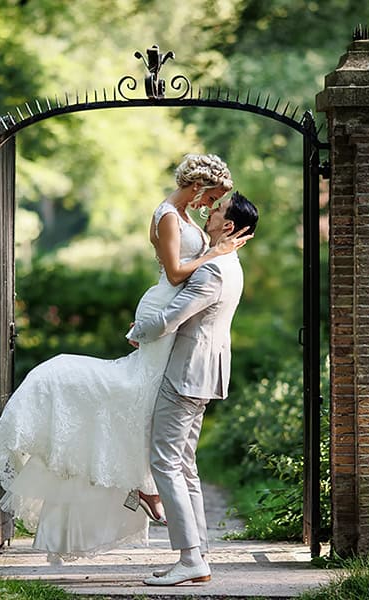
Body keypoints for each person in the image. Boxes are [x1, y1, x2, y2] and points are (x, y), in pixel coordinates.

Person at [0, 154, 252, 562]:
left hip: (174, 324)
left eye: (217, 203)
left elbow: (192, 279)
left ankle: (154, 498)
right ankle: (146, 488)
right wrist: (213, 255)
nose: (211, 204)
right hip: (167, 311)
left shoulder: (189, 219)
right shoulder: (167, 216)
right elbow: (177, 274)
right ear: (199, 186)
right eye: (213, 196)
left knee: (145, 404)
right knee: (141, 399)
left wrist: (216, 252)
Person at [127, 192, 259, 586]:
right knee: (184, 465)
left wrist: (137, 331)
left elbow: (171, 317)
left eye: (216, 210)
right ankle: (198, 552)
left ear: (229, 227)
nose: (208, 212)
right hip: (204, 375)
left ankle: (189, 558)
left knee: (164, 463)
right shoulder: (231, 265)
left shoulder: (212, 270)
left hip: (186, 375)